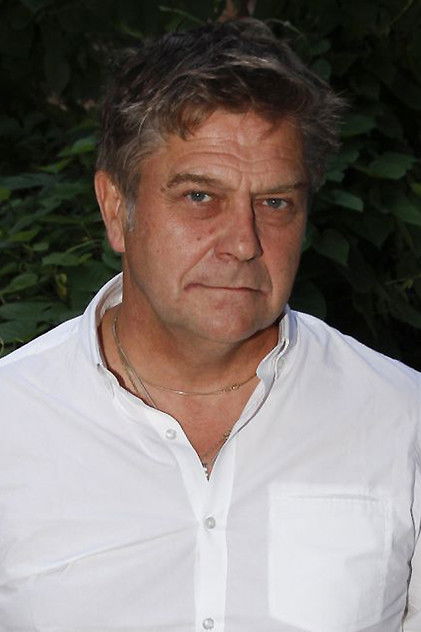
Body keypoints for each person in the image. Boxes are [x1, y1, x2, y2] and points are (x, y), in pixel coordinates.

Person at [0, 18, 420, 632]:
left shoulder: (401, 419)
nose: (244, 243)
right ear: (116, 209)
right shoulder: (13, 422)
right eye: (200, 196)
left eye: (275, 202)